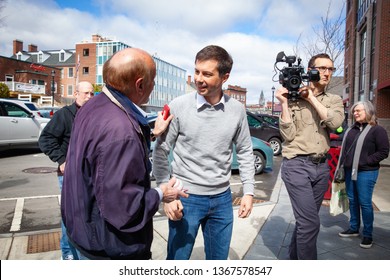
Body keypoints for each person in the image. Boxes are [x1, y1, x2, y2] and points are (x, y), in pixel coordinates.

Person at [61, 47, 188, 260]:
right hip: (108, 248)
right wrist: (161, 194)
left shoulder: (93, 105)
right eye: (153, 80)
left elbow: (102, 156)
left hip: (82, 230)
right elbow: (124, 209)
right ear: (140, 84)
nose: (154, 85)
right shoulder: (121, 130)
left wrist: (152, 132)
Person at [153, 45, 255, 260]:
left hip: (222, 200)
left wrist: (248, 191)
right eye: (197, 71)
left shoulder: (237, 110)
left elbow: (245, 150)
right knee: (177, 262)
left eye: (207, 74)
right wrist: (167, 195)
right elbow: (160, 151)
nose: (199, 78)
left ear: (225, 77)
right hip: (185, 197)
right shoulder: (179, 106)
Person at [275, 53, 345, 259]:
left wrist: (311, 98)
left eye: (330, 69)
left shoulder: (334, 100)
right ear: (310, 70)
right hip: (297, 165)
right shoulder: (292, 97)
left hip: (321, 168)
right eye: (322, 68)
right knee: (310, 223)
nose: (326, 73)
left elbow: (336, 124)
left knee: (306, 221)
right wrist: (285, 104)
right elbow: (287, 135)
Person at [38, 81, 94, 260]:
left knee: (86, 216)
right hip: (68, 175)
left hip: (89, 176)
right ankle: (68, 254)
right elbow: (46, 139)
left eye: (92, 94)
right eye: (85, 93)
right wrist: (62, 161)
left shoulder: (94, 115)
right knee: (70, 216)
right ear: (75, 93)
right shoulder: (64, 115)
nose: (89, 97)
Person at [338, 101, 389, 248]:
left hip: (366, 172)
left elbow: (384, 151)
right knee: (352, 200)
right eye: (354, 111)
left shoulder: (377, 130)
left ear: (369, 111)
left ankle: (367, 234)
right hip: (349, 171)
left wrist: (366, 161)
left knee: (365, 203)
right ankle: (354, 228)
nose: (355, 113)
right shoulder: (351, 129)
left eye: (358, 111)